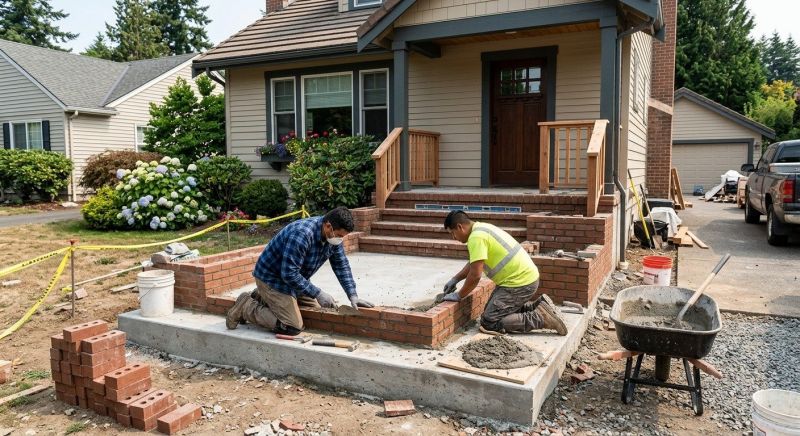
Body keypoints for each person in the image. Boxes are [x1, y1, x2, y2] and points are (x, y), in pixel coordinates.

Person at [226, 207, 374, 335]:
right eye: (340, 235)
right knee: (292, 326)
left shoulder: (332, 237)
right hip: (271, 279)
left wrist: (352, 295)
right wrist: (318, 293)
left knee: (315, 311)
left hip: (294, 279)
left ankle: (260, 296)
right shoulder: (302, 234)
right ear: (328, 226)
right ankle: (246, 306)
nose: (340, 240)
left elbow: (341, 264)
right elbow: (288, 273)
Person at [439, 210, 567, 335]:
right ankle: (538, 306)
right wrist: (456, 279)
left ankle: (540, 317)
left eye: (453, 233)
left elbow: (475, 275)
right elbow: (474, 263)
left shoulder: (476, 238)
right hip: (522, 279)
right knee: (491, 312)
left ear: (459, 227)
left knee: (489, 322)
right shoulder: (481, 228)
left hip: (519, 284)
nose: (454, 238)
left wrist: (459, 295)